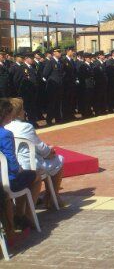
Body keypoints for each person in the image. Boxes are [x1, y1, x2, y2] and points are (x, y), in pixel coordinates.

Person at [5, 98, 64, 208]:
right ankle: (52, 197)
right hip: (28, 166)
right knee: (58, 160)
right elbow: (42, 149)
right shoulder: (26, 127)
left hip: (10, 166)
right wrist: (50, 151)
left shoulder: (4, 127)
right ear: (18, 113)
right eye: (22, 109)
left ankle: (46, 197)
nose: (24, 112)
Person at [0, 98, 42, 235]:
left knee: (24, 178)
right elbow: (11, 163)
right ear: (5, 115)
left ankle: (18, 214)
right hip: (7, 181)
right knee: (36, 176)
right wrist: (20, 169)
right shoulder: (6, 134)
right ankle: (28, 215)